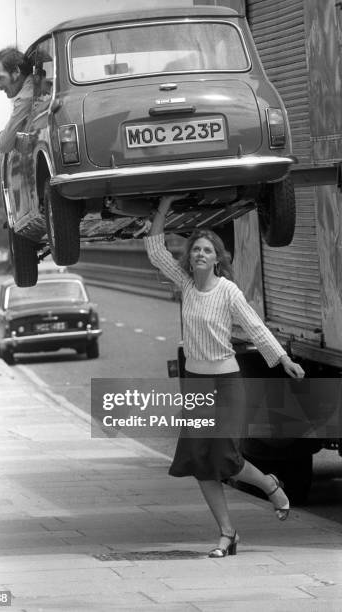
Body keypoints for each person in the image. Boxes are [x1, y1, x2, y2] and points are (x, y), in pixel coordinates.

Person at [144, 194, 305, 558]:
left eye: (207, 250)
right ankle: (227, 533)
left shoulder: (228, 291)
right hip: (196, 382)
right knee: (201, 461)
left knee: (227, 456)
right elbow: (155, 250)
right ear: (190, 258)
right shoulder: (185, 284)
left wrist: (282, 359)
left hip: (227, 382)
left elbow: (254, 326)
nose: (200, 254)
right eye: (196, 250)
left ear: (217, 258)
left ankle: (269, 484)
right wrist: (165, 207)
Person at [0, 47, 33, 154]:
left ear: (16, 72)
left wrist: (1, 135)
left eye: (0, 78)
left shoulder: (25, 97)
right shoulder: (31, 88)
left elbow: (4, 145)